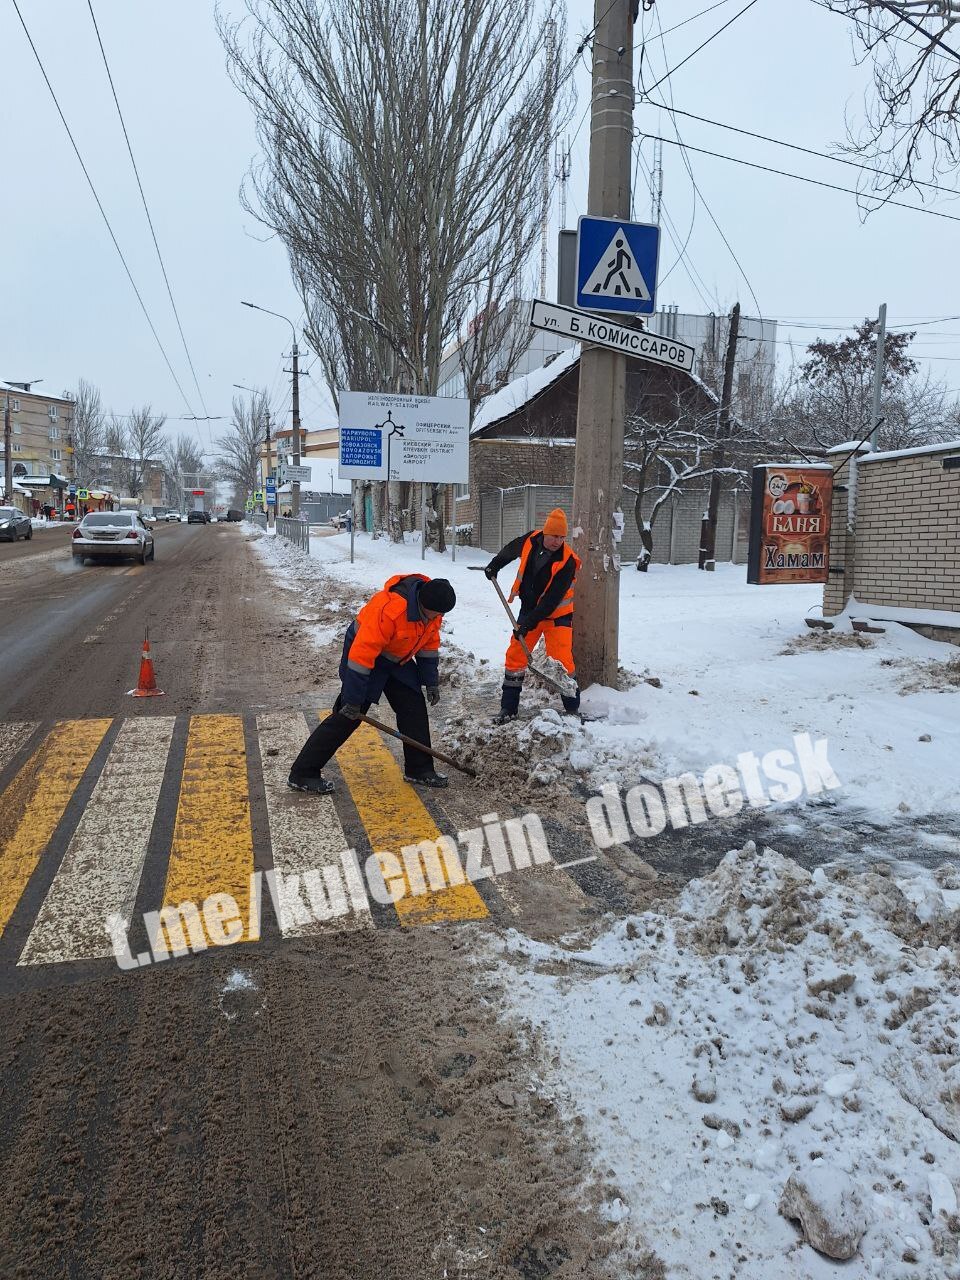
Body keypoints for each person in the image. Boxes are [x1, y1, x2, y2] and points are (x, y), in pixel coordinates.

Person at [288, 573, 457, 794]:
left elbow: (428, 645)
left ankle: (419, 769)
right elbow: (361, 656)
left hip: (397, 657)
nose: (440, 617)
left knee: (413, 707)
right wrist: (352, 698)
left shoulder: (433, 610)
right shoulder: (390, 610)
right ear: (424, 605)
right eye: (438, 613)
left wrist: (430, 682)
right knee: (348, 715)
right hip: (365, 654)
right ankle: (303, 773)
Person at [484, 508, 581, 723]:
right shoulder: (531, 540)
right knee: (516, 655)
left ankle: (573, 710)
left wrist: (527, 624)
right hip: (529, 609)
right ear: (545, 533)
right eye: (555, 536)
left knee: (563, 660)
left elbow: (551, 601)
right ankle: (508, 709)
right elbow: (511, 549)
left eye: (562, 537)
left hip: (557, 616)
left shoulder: (568, 561)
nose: (558, 541)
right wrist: (495, 565)